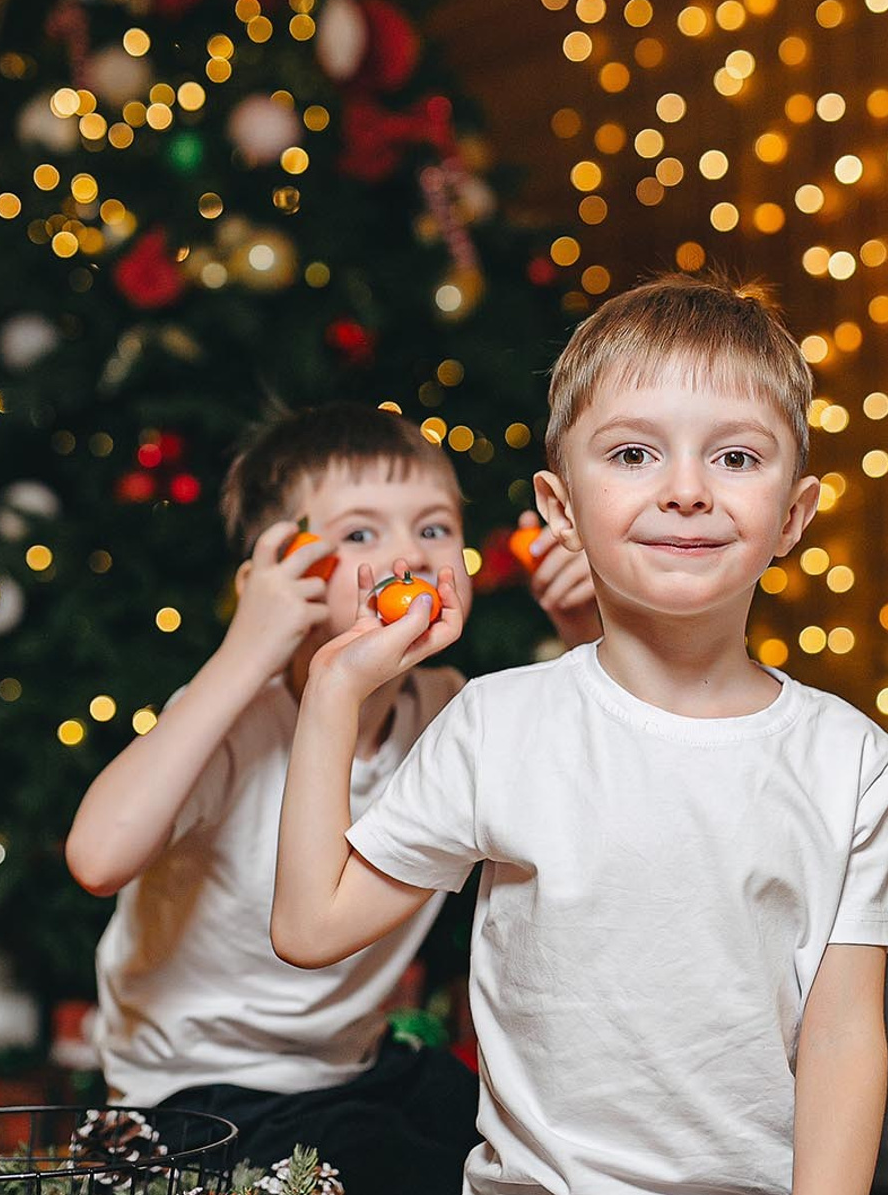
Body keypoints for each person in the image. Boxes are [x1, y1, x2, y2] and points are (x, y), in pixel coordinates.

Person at [272, 273, 888, 1195]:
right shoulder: (496, 726)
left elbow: (842, 1035)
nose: (687, 491)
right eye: (633, 454)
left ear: (793, 516)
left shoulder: (850, 760)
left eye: (736, 459)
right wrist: (332, 690)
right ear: (559, 507)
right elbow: (310, 926)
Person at [64, 400, 598, 1194]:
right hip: (190, 1102)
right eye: (359, 534)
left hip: (355, 1074)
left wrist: (588, 633)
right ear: (282, 576)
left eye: (434, 529)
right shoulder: (235, 722)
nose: (408, 558)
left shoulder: (452, 708)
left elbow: (602, 786)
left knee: (522, 1149)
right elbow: (98, 857)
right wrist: (246, 651)